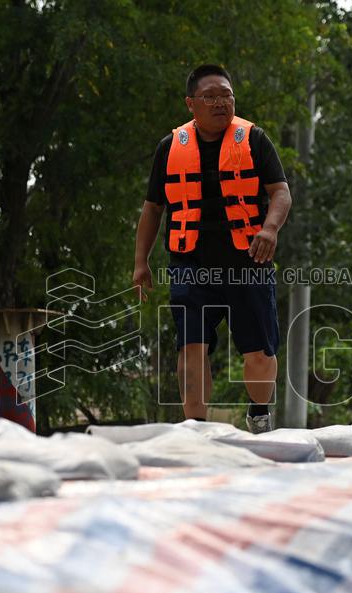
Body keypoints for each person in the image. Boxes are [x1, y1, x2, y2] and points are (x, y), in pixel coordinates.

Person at [132, 64, 292, 433]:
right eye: (211, 97)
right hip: (191, 263)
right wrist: (141, 262)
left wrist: (270, 229)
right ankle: (195, 428)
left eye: (227, 95)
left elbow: (280, 192)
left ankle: (259, 413)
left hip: (248, 262)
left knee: (260, 352)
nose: (221, 103)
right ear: (191, 103)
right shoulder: (170, 148)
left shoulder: (254, 139)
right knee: (191, 348)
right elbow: (153, 208)